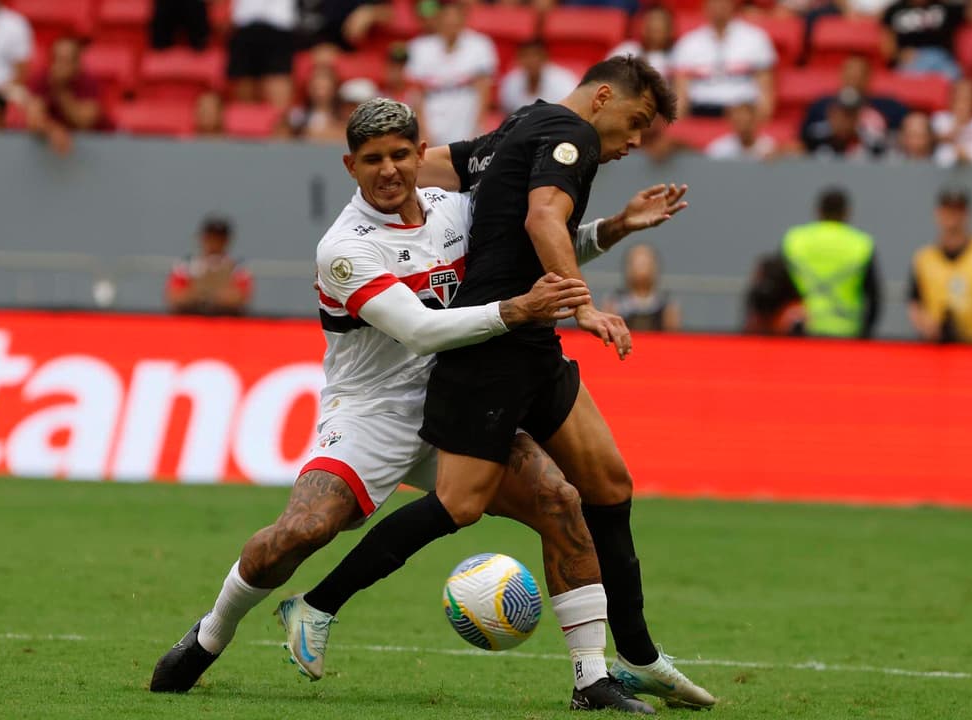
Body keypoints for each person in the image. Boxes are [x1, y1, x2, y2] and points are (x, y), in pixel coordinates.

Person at [150, 98, 682, 703]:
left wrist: (614, 229)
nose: (389, 170)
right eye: (372, 159)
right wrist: (517, 310)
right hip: (370, 412)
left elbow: (533, 254)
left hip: (455, 402)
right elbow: (422, 330)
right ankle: (210, 635)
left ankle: (591, 679)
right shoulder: (345, 248)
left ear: (419, 154)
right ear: (351, 165)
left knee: (561, 501)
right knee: (303, 530)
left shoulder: (457, 207)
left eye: (401, 154)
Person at [284, 58, 715, 711]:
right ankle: (315, 605)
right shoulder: (573, 140)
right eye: (636, 123)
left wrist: (617, 228)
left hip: (534, 343)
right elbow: (543, 218)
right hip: (488, 348)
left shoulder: (522, 125)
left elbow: (430, 166)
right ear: (603, 98)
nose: (633, 143)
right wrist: (585, 306)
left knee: (606, 485)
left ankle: (630, 659)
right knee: (458, 504)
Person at [907, 187, 972, 343]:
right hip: (937, 346)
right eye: (948, 210)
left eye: (958, 210)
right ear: (938, 213)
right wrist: (925, 325)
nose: (953, 217)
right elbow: (914, 302)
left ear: (967, 214)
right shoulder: (924, 258)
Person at [780, 188, 880, 338]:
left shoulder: (795, 240)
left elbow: (779, 284)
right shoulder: (861, 243)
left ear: (818, 210)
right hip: (847, 330)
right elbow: (874, 295)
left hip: (801, 329)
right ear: (847, 212)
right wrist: (866, 332)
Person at [405, 0, 497, 145]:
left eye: (455, 19)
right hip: (433, 116)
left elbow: (484, 89)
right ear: (438, 19)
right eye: (447, 18)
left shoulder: (480, 45)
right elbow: (416, 93)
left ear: (463, 19)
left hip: (465, 116)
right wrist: (424, 130)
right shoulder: (419, 47)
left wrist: (477, 127)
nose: (451, 23)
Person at [671, 0, 776, 119]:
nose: (719, 6)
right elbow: (681, 94)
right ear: (705, 6)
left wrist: (760, 123)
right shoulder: (688, 43)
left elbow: (765, 93)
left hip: (744, 113)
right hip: (701, 112)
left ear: (733, 4)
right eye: (713, 2)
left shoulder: (756, 39)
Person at [26, 37, 103, 156]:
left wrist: (61, 91)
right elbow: (33, 119)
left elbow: (85, 121)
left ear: (77, 63)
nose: (60, 65)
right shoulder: (40, 79)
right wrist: (53, 129)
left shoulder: (89, 81)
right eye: (57, 59)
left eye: (66, 61)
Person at [801, 56, 909, 138]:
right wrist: (830, 129)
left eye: (858, 77)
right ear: (841, 76)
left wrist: (865, 128)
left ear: (868, 79)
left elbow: (902, 137)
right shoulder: (821, 106)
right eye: (849, 77)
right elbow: (803, 140)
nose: (853, 82)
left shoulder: (889, 108)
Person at [165, 216, 253, 315]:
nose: (215, 242)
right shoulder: (186, 265)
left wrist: (202, 294)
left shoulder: (238, 268)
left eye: (220, 238)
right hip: (191, 321)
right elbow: (174, 296)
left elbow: (240, 297)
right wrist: (207, 295)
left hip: (226, 322)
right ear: (202, 238)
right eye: (211, 237)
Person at [226, 0, 296, 109]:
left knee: (278, 90)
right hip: (244, 25)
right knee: (244, 98)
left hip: (280, 26)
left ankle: (279, 123)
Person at [603, 244, 680, 331]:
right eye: (637, 262)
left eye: (645, 262)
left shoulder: (667, 304)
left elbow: (672, 335)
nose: (641, 267)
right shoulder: (615, 302)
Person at [881, 0, 964, 80]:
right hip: (911, 60)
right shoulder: (894, 11)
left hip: (941, 58)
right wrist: (899, 54)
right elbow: (887, 46)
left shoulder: (944, 7)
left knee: (958, 81)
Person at [802, 87, 889, 159]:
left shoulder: (871, 141)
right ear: (831, 113)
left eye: (851, 114)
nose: (846, 120)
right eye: (842, 114)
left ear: (858, 117)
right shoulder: (814, 135)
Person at [500, 39, 579, 116]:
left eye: (536, 55)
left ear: (545, 57)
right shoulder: (510, 81)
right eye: (525, 56)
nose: (531, 61)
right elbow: (508, 114)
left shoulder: (565, 81)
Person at [608, 5, 675, 78]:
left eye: (658, 29)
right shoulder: (626, 50)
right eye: (650, 27)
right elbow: (605, 77)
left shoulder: (676, 56)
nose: (655, 25)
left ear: (670, 30)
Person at [287, 63, 345, 142]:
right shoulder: (296, 115)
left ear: (335, 86)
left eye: (325, 80)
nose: (319, 82)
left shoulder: (345, 115)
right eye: (315, 80)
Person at [706, 101, 777, 160]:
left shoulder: (769, 147)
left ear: (755, 121)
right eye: (738, 122)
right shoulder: (719, 149)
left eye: (747, 121)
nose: (743, 127)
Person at [931, 76, 972, 146]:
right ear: (951, 99)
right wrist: (957, 123)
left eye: (967, 98)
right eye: (959, 98)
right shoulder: (939, 119)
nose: (962, 103)